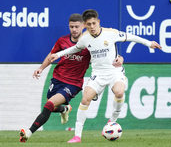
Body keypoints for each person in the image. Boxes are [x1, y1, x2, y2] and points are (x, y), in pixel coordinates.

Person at [49, 9, 162, 143]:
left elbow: (131, 37)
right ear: (84, 25)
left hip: (115, 71)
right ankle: (77, 136)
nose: (92, 27)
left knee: (119, 92)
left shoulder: (111, 33)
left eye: (94, 23)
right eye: (89, 24)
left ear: (98, 22)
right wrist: (59, 54)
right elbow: (74, 48)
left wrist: (149, 43)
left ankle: (112, 122)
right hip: (98, 74)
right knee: (85, 100)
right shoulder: (85, 38)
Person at [19, 13, 124, 143]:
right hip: (57, 79)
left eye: (77, 27)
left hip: (73, 84)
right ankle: (65, 109)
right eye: (71, 27)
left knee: (49, 104)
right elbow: (52, 55)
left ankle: (28, 133)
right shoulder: (62, 41)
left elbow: (108, 56)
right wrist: (41, 68)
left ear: (83, 26)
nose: (74, 30)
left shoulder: (89, 43)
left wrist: (120, 59)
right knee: (51, 106)